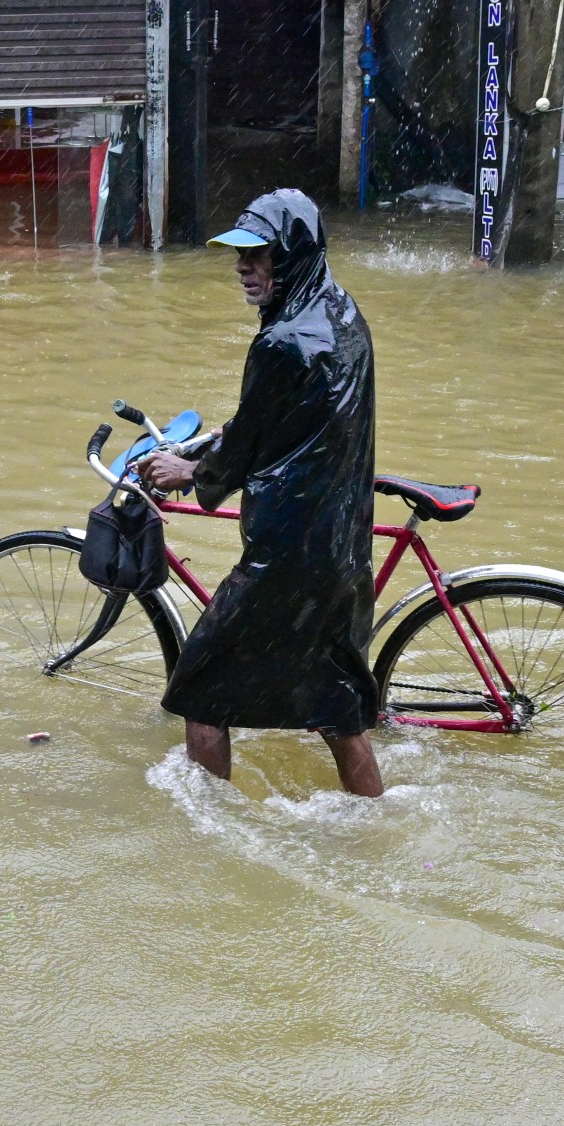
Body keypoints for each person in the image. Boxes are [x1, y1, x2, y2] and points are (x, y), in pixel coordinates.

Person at [136, 191, 384, 798]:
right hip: (339, 548)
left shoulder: (279, 344)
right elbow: (283, 421)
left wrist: (189, 472)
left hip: (288, 556)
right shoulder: (343, 313)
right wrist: (227, 438)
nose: (244, 268)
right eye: (239, 256)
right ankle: (372, 819)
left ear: (290, 255)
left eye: (257, 255)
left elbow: (248, 443)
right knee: (337, 711)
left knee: (200, 690)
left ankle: (205, 836)